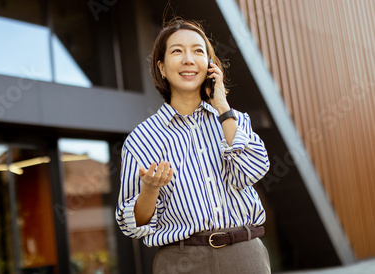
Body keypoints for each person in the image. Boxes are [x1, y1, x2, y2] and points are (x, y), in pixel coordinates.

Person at [116, 18, 271, 273]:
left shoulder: (234, 120)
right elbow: (133, 225)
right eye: (177, 51)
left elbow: (253, 171)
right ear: (162, 67)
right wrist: (149, 190)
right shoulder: (141, 139)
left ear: (210, 66)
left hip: (245, 255)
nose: (188, 59)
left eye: (198, 51)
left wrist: (222, 106)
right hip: (181, 261)